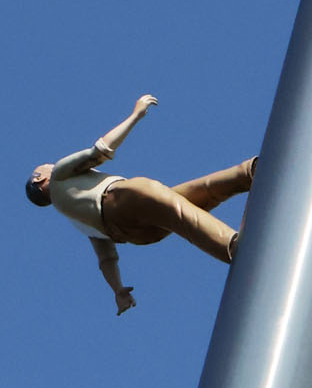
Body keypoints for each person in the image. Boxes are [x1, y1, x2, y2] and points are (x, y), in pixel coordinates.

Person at [27, 91, 257, 315]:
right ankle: (236, 246)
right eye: (42, 168)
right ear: (40, 179)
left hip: (140, 234)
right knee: (167, 196)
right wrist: (136, 115)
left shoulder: (74, 216)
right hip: (121, 200)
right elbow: (99, 151)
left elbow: (106, 257)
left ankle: (248, 175)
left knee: (187, 202)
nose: (48, 164)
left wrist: (117, 289)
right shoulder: (58, 175)